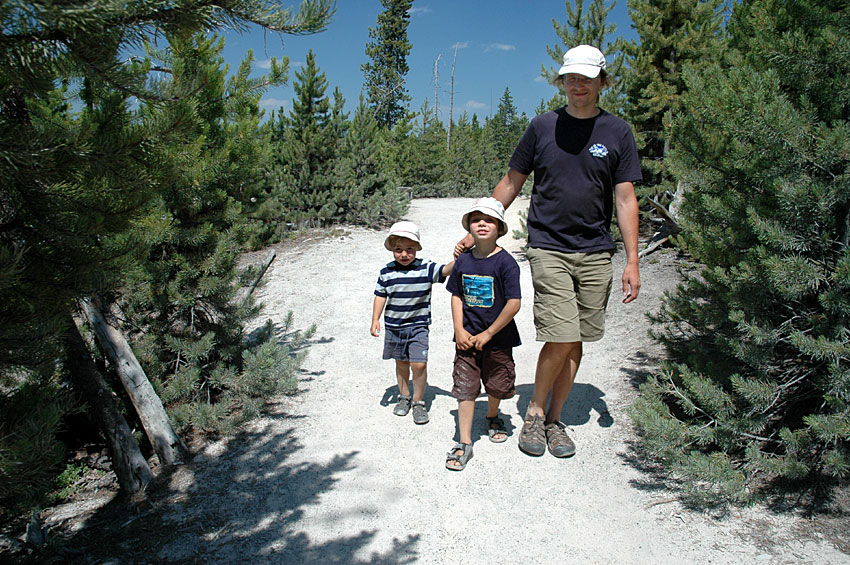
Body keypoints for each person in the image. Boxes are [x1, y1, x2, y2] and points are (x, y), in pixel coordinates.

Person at [456, 45, 642, 458]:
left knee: (577, 339)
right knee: (562, 333)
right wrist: (481, 223)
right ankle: (535, 413)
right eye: (571, 79)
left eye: (586, 79)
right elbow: (513, 180)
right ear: (562, 82)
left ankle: (555, 420)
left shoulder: (617, 132)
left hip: (596, 250)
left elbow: (626, 197)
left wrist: (632, 260)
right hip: (548, 246)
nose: (578, 86)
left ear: (602, 81)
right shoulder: (543, 127)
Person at [445, 198, 521, 471]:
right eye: (476, 220)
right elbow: (456, 294)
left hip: (498, 338)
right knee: (465, 387)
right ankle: (464, 441)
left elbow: (514, 303)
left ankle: (491, 414)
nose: (482, 224)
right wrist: (459, 329)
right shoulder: (463, 261)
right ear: (469, 227)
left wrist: (489, 333)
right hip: (466, 338)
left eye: (489, 220)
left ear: (500, 227)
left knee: (496, 381)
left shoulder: (506, 263)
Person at [372, 221, 454, 425]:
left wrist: (460, 258)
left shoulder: (426, 268)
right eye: (398, 249)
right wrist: (375, 319)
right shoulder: (386, 272)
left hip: (418, 326)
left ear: (417, 247)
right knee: (401, 363)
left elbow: (445, 270)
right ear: (392, 249)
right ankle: (404, 396)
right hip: (394, 327)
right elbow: (380, 295)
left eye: (409, 249)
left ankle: (418, 402)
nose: (404, 254)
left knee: (419, 364)